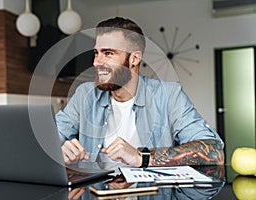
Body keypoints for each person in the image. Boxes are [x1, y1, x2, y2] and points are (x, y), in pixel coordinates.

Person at [56, 17, 224, 168]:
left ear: (134, 59)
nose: (96, 62)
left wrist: (142, 157)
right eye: (96, 53)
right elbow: (47, 138)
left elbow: (214, 151)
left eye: (108, 53)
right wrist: (60, 149)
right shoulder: (85, 94)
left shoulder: (169, 95)